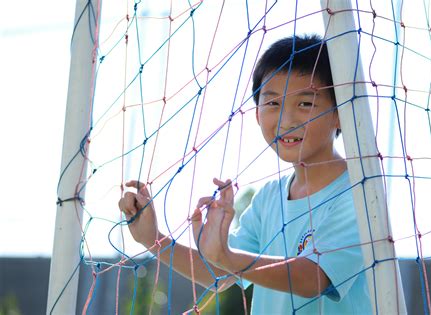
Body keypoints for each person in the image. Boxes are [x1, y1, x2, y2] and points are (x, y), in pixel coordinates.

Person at [119, 34, 371, 314]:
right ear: (257, 114)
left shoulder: (360, 192)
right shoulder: (268, 198)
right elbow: (220, 273)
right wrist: (153, 239)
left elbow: (313, 277)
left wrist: (228, 256)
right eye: (273, 104)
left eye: (305, 104)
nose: (286, 121)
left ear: (341, 112)